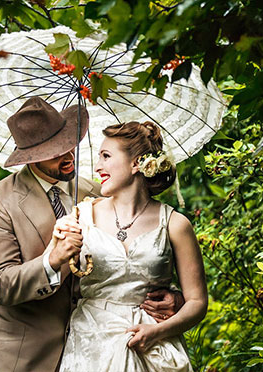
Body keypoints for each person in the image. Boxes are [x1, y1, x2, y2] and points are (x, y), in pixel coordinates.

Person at [0, 97, 182, 372]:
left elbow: (132, 261)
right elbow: (1, 285)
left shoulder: (97, 192)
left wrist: (173, 298)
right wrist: (52, 260)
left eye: (68, 143)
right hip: (17, 355)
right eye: (54, 152)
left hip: (91, 351)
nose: (68, 156)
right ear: (30, 157)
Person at [58, 121, 208, 372]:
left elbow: (197, 302)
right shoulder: (80, 216)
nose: (98, 167)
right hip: (92, 346)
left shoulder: (176, 224)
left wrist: (157, 331)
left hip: (153, 348)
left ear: (137, 163)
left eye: (106, 156)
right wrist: (59, 245)